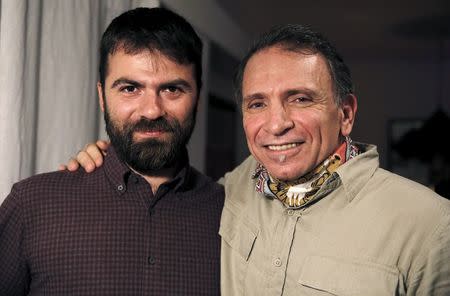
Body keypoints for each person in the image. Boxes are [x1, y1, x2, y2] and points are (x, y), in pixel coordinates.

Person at [63, 25, 450, 295]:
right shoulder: (229, 190)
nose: (277, 124)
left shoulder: (430, 224)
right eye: (257, 103)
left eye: (300, 98)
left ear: (345, 114)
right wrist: (110, 158)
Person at [0, 7, 223, 295]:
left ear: (198, 100)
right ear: (102, 97)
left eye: (172, 90)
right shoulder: (32, 206)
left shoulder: (230, 216)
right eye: (130, 88)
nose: (152, 110)